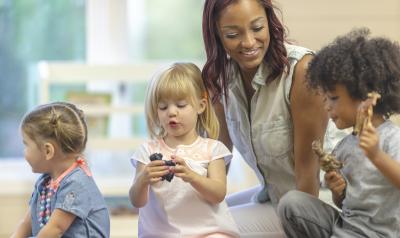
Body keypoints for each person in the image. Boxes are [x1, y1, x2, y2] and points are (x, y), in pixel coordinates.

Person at [202, 0, 330, 236]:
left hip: (317, 207)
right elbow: (218, 159)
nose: (249, 42)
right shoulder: (220, 78)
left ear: (270, 23)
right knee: (191, 219)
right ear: (216, 35)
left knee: (205, 232)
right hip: (272, 196)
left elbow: (308, 175)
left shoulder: (301, 72)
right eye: (232, 34)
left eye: (257, 28)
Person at [278, 28, 400, 237]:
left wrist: (376, 156)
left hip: (379, 234)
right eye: (324, 98)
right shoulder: (343, 147)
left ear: (364, 95)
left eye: (333, 98)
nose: (326, 106)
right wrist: (338, 191)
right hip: (345, 227)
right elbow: (345, 204)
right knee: (291, 204)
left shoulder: (392, 139)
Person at [128, 62, 240, 237]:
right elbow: (137, 201)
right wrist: (143, 180)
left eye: (180, 105)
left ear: (201, 106)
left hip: (209, 232)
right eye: (163, 107)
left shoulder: (213, 149)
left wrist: (193, 177)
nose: (171, 112)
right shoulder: (147, 151)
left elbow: (218, 194)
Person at [11, 102, 110, 238]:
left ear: (48, 150)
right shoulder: (45, 182)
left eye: (26, 144)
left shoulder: (76, 184)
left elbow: (55, 229)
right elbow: (26, 223)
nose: (24, 152)